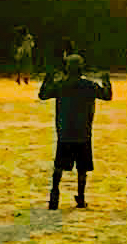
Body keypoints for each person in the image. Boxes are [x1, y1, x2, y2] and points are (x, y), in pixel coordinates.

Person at [40, 51, 112, 207]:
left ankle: (54, 193)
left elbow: (43, 95)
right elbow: (107, 96)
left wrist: (48, 78)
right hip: (83, 132)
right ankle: (80, 196)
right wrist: (106, 81)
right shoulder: (89, 86)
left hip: (64, 132)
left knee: (59, 166)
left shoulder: (61, 85)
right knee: (82, 168)